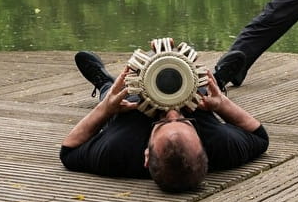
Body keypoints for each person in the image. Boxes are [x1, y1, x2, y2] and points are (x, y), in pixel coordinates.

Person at [61, 50, 269, 192]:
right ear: (204, 148)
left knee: (115, 93)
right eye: (184, 121)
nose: (171, 111)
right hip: (198, 101)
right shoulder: (221, 147)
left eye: (162, 124)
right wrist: (221, 103)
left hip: (131, 111)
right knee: (201, 89)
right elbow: (259, 136)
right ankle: (217, 80)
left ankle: (104, 83)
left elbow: (68, 151)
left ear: (146, 154)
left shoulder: (117, 151)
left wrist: (105, 108)